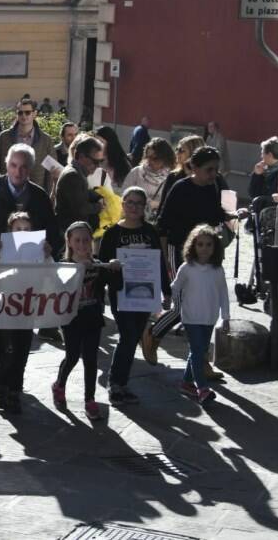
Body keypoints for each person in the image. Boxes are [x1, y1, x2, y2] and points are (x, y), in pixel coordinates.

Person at [146, 146, 238, 369]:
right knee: (183, 306)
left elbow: (215, 214)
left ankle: (200, 362)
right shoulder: (181, 188)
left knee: (204, 305)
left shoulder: (212, 187)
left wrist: (232, 215)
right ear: (194, 168)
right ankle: (153, 334)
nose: (213, 174)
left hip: (206, 252)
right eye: (209, 169)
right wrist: (167, 261)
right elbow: (164, 224)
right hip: (179, 251)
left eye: (216, 169)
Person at [97, 186, 171, 406]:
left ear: (144, 207)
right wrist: (108, 281)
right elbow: (102, 267)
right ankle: (116, 383)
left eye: (139, 203)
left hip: (145, 296)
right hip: (121, 295)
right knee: (128, 337)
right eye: (130, 202)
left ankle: (122, 383)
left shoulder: (150, 232)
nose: (134, 207)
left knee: (132, 337)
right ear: (123, 204)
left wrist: (166, 290)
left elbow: (159, 262)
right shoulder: (112, 234)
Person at [0, 212, 52, 413]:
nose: (22, 233)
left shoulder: (39, 252)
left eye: (26, 230)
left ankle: (14, 390)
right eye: (18, 229)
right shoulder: (1, 252)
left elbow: (50, 275)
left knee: (22, 352)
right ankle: (0, 384)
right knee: (9, 350)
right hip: (6, 308)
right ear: (9, 232)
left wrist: (47, 256)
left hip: (27, 308)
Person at [50, 221, 111, 421]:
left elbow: (111, 286)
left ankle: (90, 400)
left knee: (91, 359)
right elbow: (61, 290)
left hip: (93, 318)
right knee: (73, 356)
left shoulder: (98, 264)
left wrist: (114, 268)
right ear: (69, 242)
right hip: (71, 320)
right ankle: (59, 385)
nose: (83, 245)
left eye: (86, 240)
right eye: (77, 240)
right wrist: (79, 269)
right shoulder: (64, 266)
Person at [172, 225, 230, 406]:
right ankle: (202, 388)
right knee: (198, 352)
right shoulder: (187, 268)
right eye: (200, 244)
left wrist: (225, 317)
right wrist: (172, 301)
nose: (204, 248)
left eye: (209, 245)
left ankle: (185, 382)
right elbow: (175, 287)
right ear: (193, 246)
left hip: (210, 318)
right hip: (191, 317)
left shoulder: (217, 270)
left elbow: (223, 294)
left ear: (215, 248)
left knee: (198, 352)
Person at [0, 98, 56, 189]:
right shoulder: (4, 137)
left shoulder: (46, 140)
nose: (23, 116)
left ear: (34, 114)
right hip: (8, 191)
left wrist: (48, 196)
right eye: (20, 113)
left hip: (36, 191)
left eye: (27, 112)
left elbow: (51, 171)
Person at [54, 135, 105, 234]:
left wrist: (98, 195)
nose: (98, 166)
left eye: (100, 161)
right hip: (70, 233)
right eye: (95, 161)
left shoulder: (77, 171)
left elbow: (82, 193)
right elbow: (81, 209)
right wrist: (99, 206)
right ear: (81, 157)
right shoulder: (73, 175)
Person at [121, 137, 174, 222]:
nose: (150, 161)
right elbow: (123, 195)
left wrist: (156, 204)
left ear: (165, 158)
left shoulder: (170, 177)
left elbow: (170, 205)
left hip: (153, 222)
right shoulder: (137, 172)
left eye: (155, 158)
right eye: (148, 157)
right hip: (132, 220)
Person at [95, 125, 132, 194]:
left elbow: (126, 190)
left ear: (110, 144)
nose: (97, 146)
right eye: (95, 142)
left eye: (101, 142)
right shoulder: (92, 161)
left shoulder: (122, 163)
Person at [248, 136, 278, 200]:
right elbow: (252, 193)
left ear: (269, 155)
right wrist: (256, 175)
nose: (261, 156)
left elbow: (255, 194)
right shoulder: (264, 170)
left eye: (262, 153)